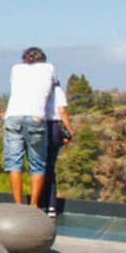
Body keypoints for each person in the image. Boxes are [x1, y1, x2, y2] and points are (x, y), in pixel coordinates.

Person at [1, 47, 56, 205]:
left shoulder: (16, 69)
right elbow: (51, 88)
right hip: (36, 117)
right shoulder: (49, 68)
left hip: (13, 116)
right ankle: (33, 205)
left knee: (13, 163)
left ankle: (18, 205)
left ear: (25, 58)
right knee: (37, 163)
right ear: (43, 58)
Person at [35, 78, 74, 217]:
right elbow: (62, 112)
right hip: (54, 128)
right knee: (50, 167)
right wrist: (70, 130)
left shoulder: (38, 91)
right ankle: (51, 205)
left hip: (39, 127)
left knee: (38, 167)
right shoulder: (58, 91)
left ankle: (38, 203)